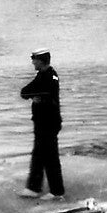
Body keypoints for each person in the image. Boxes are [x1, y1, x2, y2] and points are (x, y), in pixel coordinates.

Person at [18, 48, 64, 200]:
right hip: (42, 121)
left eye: (34, 59)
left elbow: (46, 93)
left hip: (48, 122)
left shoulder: (50, 77)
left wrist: (35, 95)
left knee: (50, 157)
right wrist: (33, 96)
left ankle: (56, 191)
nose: (32, 62)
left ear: (41, 60)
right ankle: (34, 188)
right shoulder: (42, 76)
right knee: (39, 155)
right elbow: (24, 92)